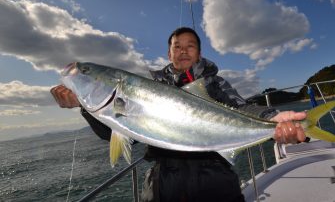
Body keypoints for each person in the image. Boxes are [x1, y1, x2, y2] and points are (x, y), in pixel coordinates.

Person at [51, 27, 307, 202]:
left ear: (199, 52)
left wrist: (272, 119)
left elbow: (242, 109)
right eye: (177, 46)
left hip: (216, 182)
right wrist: (85, 107)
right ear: (169, 53)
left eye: (190, 46)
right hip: (165, 186)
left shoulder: (215, 85)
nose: (183, 51)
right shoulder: (148, 87)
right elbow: (113, 131)